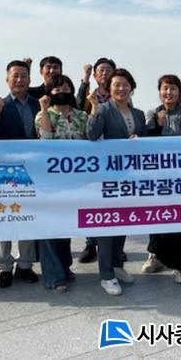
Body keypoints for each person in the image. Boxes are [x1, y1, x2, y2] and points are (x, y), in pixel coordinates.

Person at [87, 68, 146, 295]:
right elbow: (92, 135)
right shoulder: (102, 109)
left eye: (125, 84)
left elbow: (146, 142)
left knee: (123, 222)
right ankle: (106, 275)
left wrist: (139, 140)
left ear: (132, 87)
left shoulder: (138, 114)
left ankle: (117, 265)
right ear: (109, 89)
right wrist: (94, 108)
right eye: (116, 85)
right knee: (107, 225)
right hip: (108, 177)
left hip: (130, 178)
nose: (121, 88)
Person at [0, 60, 40, 288]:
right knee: (4, 217)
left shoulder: (38, 104)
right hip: (6, 171)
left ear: (30, 79)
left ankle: (25, 264)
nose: (19, 80)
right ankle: (4, 266)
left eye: (23, 75)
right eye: (15, 75)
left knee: (28, 217)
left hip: (34, 168)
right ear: (7, 79)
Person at [142, 74, 181, 284]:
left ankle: (180, 266)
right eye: (165, 88)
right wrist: (157, 125)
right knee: (157, 217)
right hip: (157, 177)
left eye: (173, 88)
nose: (168, 92)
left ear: (180, 92)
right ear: (159, 91)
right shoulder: (151, 113)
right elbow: (147, 142)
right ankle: (155, 256)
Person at [35, 75, 87, 292]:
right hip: (50, 181)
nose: (61, 92)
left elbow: (90, 139)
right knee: (49, 226)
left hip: (76, 181)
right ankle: (54, 276)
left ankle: (64, 267)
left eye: (66, 88)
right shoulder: (43, 115)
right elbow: (46, 138)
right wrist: (44, 108)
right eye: (57, 89)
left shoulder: (81, 115)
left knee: (65, 225)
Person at [76, 57, 116, 264]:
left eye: (108, 70)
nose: (104, 73)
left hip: (113, 156)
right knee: (92, 199)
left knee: (113, 199)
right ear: (94, 74)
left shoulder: (119, 94)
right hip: (91, 153)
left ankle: (114, 246)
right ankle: (91, 243)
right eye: (101, 70)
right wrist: (84, 78)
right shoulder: (89, 95)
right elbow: (77, 104)